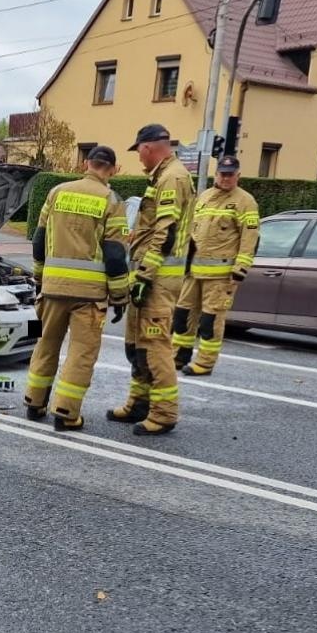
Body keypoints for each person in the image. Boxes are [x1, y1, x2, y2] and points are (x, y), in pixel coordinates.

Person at [23, 146, 129, 431]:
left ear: (85, 164)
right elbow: (116, 254)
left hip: (52, 289)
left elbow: (38, 241)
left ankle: (34, 402)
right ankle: (66, 413)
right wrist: (120, 297)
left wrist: (39, 279)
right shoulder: (112, 200)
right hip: (89, 296)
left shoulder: (57, 192)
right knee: (81, 353)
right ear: (113, 169)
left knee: (44, 344)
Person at [107, 124, 194, 436]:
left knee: (155, 346)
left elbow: (166, 233)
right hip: (150, 274)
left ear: (147, 147)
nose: (139, 159)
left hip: (157, 278)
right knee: (138, 344)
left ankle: (164, 413)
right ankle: (139, 403)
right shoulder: (162, 175)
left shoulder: (172, 177)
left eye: (139, 151)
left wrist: (145, 275)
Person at [173, 155, 260, 377]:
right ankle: (178, 355)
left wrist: (240, 269)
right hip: (193, 271)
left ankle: (204, 362)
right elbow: (192, 231)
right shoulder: (204, 197)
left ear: (238, 176)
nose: (225, 178)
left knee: (210, 321)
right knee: (183, 315)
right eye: (222, 174)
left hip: (221, 275)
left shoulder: (245, 201)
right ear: (216, 174)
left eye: (230, 175)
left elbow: (250, 238)